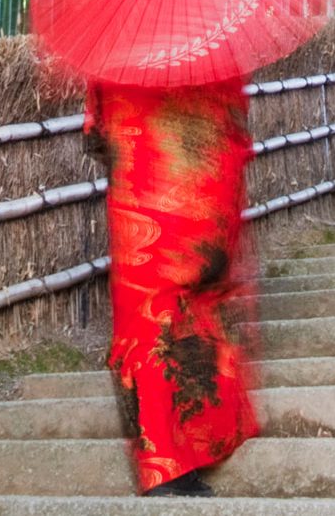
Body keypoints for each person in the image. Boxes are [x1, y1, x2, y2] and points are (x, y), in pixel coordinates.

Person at [83, 78, 260, 497]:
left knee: (147, 320)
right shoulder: (205, 41)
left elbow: (96, 134)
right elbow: (231, 120)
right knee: (193, 312)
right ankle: (190, 451)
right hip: (195, 194)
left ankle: (160, 463)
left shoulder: (113, 48)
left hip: (140, 195)